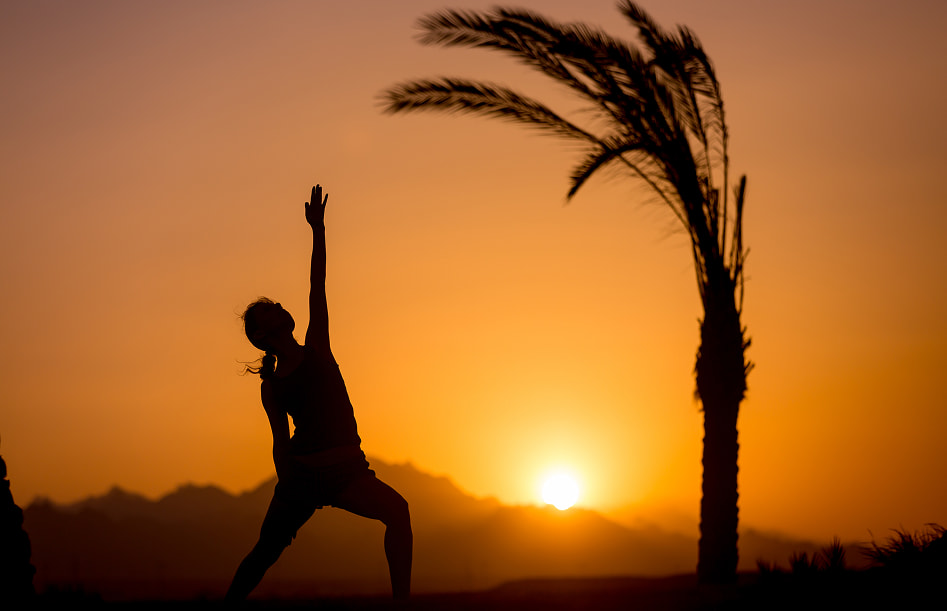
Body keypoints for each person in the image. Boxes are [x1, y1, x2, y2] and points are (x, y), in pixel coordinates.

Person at [226, 185, 412, 602]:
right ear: (262, 335)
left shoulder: (318, 348)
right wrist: (288, 486)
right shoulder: (271, 385)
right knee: (264, 552)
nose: (276, 308)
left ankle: (404, 606)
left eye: (274, 305)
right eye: (267, 311)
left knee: (398, 513)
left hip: (347, 470)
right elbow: (279, 443)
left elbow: (317, 284)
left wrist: (318, 230)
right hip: (302, 475)